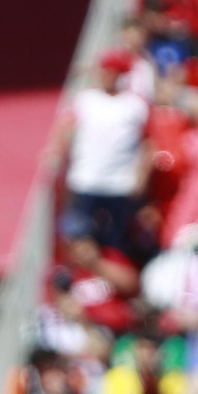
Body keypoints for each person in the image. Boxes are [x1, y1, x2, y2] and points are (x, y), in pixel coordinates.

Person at [53, 49, 150, 252]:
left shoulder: (136, 105)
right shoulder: (85, 100)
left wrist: (141, 177)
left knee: (116, 243)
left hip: (119, 184)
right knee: (78, 239)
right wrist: (58, 154)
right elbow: (66, 130)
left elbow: (148, 143)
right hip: (85, 180)